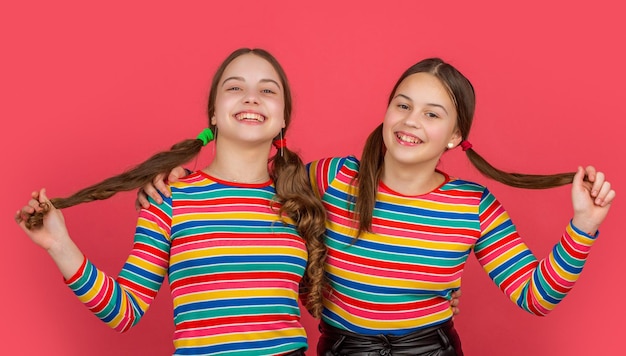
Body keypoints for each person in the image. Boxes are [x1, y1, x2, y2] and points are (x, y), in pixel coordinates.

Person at [142, 57, 615, 356]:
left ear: (454, 136)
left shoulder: (474, 206)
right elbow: (252, 190)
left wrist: (583, 227)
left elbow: (535, 297)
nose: (411, 122)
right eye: (402, 105)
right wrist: (175, 182)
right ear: (386, 112)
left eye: (432, 114)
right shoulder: (331, 178)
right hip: (344, 348)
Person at [15, 48, 329, 356]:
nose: (251, 97)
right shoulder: (170, 197)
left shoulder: (299, 201)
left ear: (283, 117)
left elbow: (335, 299)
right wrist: (59, 244)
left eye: (267, 90)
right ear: (213, 114)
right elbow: (123, 311)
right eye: (235, 87)